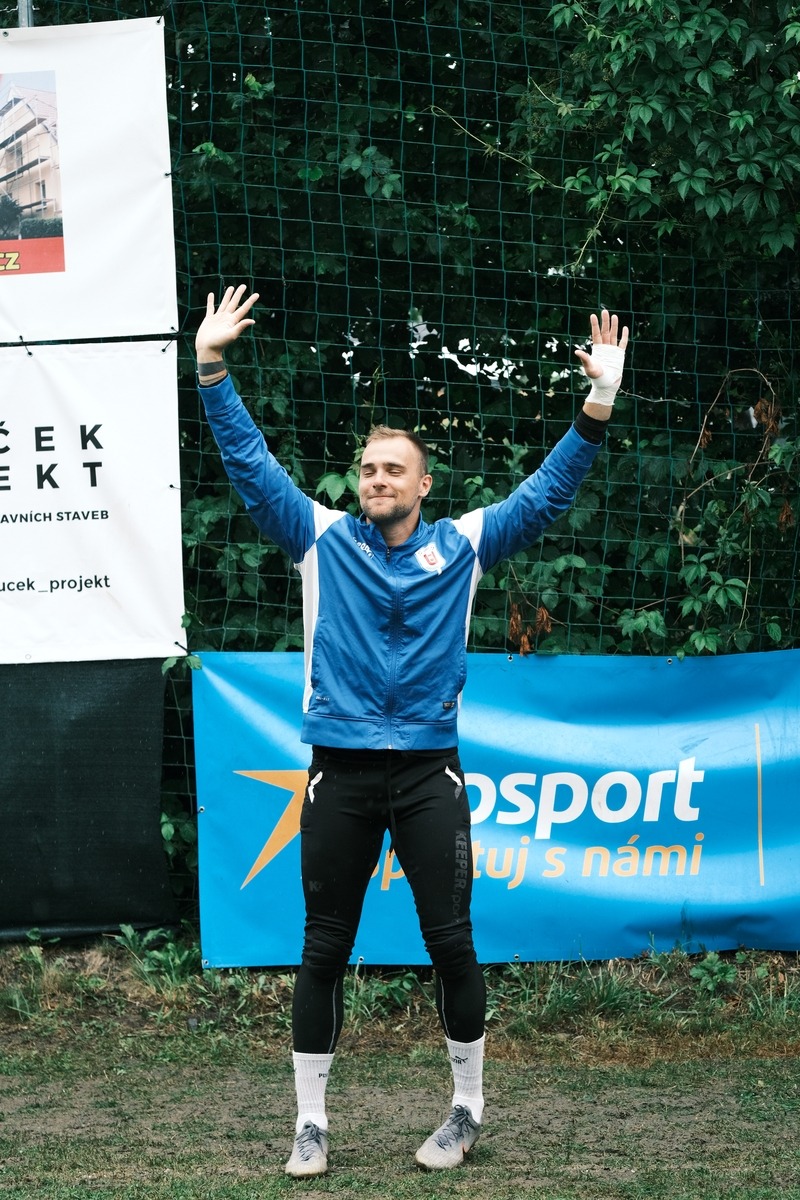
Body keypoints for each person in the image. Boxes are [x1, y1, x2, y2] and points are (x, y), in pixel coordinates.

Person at [195, 285, 628, 1177]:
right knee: (322, 948)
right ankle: (310, 1125)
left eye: (394, 469)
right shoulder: (319, 539)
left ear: (424, 485)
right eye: (368, 469)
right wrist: (210, 369)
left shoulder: (463, 546)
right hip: (340, 773)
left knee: (451, 943)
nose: (377, 480)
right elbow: (250, 465)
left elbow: (545, 496)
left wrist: (600, 398)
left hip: (431, 773)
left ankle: (467, 1109)